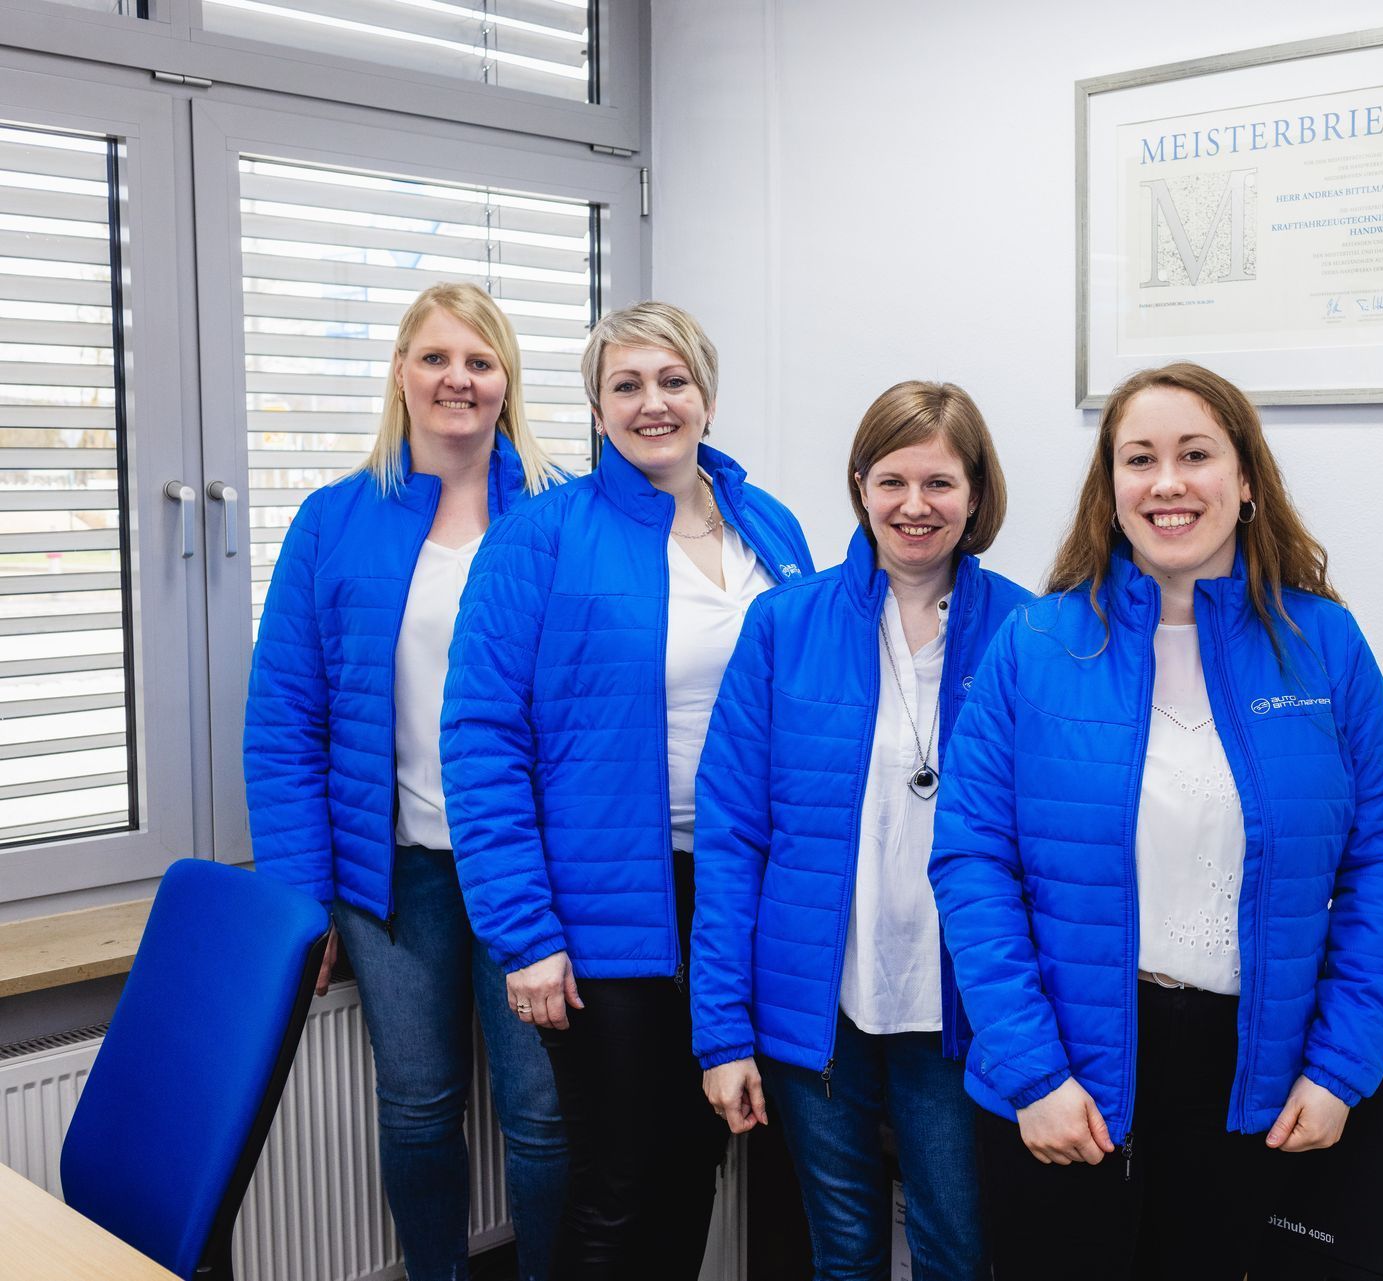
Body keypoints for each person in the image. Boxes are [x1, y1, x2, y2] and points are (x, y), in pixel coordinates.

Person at [928, 361, 1383, 1280]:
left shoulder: (1325, 646)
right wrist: (1033, 1074)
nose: (1167, 482)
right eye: (1138, 458)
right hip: (1062, 1067)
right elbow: (970, 863)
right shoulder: (1035, 646)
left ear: (1244, 479)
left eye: (1195, 454)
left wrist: (1341, 1064)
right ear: (1110, 490)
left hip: (1246, 1078)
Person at [440, 301, 814, 1279]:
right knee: (620, 1173)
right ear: (596, 409)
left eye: (673, 380)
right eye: (627, 385)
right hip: (609, 912)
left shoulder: (769, 527)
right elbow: (481, 740)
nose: (654, 403)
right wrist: (525, 934)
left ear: (708, 393)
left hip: (745, 897)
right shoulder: (543, 538)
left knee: (700, 1157)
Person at [245, 280, 570, 1281]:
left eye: (479, 360)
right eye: (435, 358)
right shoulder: (334, 521)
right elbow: (285, 722)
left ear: (507, 380)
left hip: (530, 874)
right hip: (395, 878)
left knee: (545, 1120)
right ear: (400, 373)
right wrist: (304, 904)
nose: (457, 380)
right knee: (419, 1111)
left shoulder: (562, 520)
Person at [694, 382, 1030, 1281]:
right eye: (892, 480)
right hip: (818, 1006)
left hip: (957, 1011)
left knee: (959, 1250)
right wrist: (722, 1035)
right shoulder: (785, 624)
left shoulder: (1029, 633)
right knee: (841, 1251)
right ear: (859, 484)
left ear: (976, 491)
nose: (915, 506)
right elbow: (732, 836)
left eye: (940, 482)